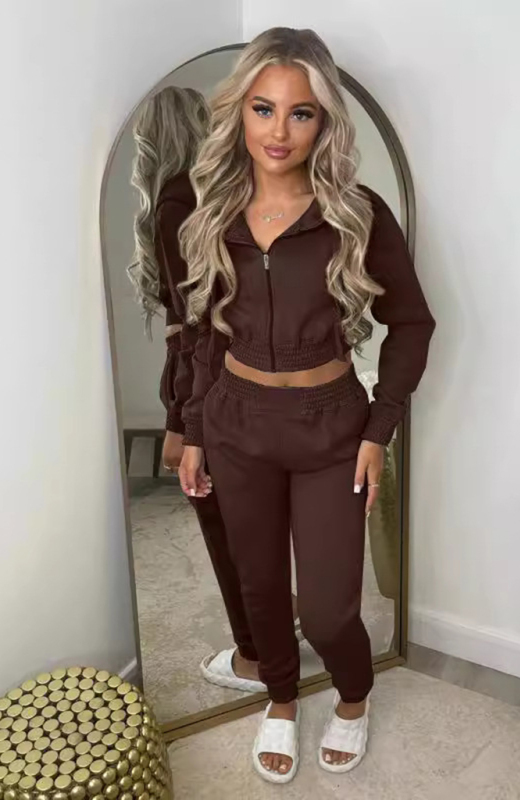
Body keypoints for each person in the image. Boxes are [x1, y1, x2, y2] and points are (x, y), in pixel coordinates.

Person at [177, 27, 436, 782]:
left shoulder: (356, 213)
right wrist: (194, 430)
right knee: (259, 587)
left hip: (330, 428)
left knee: (327, 609)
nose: (279, 131)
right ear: (240, 112)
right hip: (235, 422)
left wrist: (379, 428)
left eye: (301, 113)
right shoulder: (214, 210)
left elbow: (412, 323)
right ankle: (283, 700)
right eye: (263, 108)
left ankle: (353, 697)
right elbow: (202, 334)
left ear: (325, 122)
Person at [128, 86, 268, 693]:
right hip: (258, 373)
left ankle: (256, 657)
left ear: (152, 138)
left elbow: (196, 325)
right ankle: (280, 618)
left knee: (215, 512)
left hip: (208, 376)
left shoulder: (174, 201)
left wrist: (182, 422)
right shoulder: (236, 189)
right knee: (254, 514)